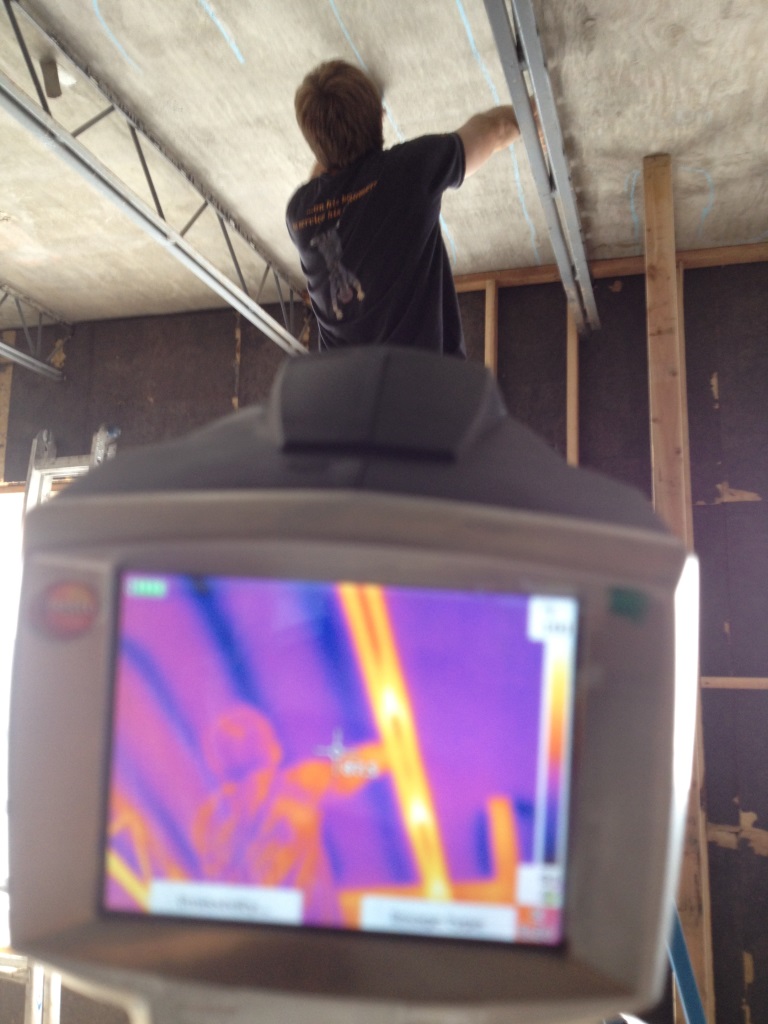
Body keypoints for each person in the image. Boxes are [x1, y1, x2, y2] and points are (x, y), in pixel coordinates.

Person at [286, 60, 520, 358]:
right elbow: (496, 129)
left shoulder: (299, 213)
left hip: (402, 382)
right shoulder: (409, 170)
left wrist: (345, 129)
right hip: (361, 384)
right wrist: (531, 116)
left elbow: (322, 178)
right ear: (380, 119)